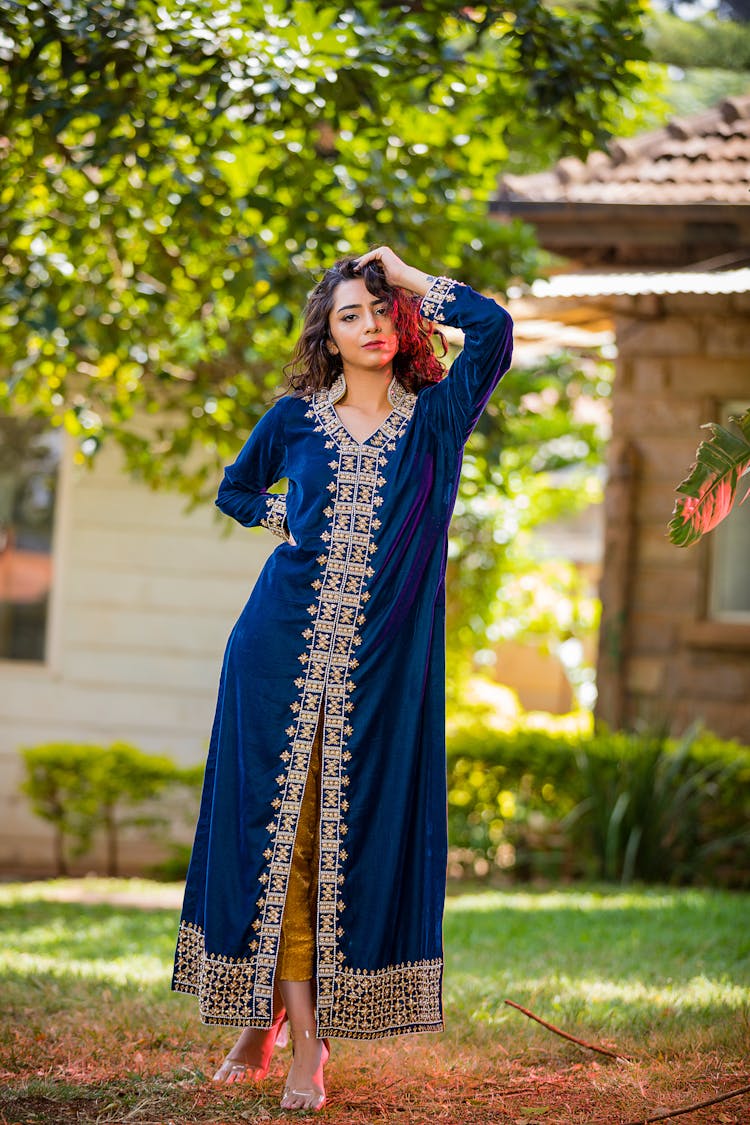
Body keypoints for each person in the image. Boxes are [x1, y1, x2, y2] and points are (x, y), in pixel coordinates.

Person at [172, 246, 514, 1112]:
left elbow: (496, 330)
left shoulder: (435, 417)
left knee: (338, 840)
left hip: (380, 669)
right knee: (277, 842)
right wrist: (292, 515)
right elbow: (236, 490)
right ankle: (301, 1045)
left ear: (402, 321)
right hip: (275, 649)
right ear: (328, 335)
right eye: (348, 315)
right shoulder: (293, 419)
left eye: (378, 309)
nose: (366, 325)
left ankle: (266, 1025)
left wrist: (406, 274)